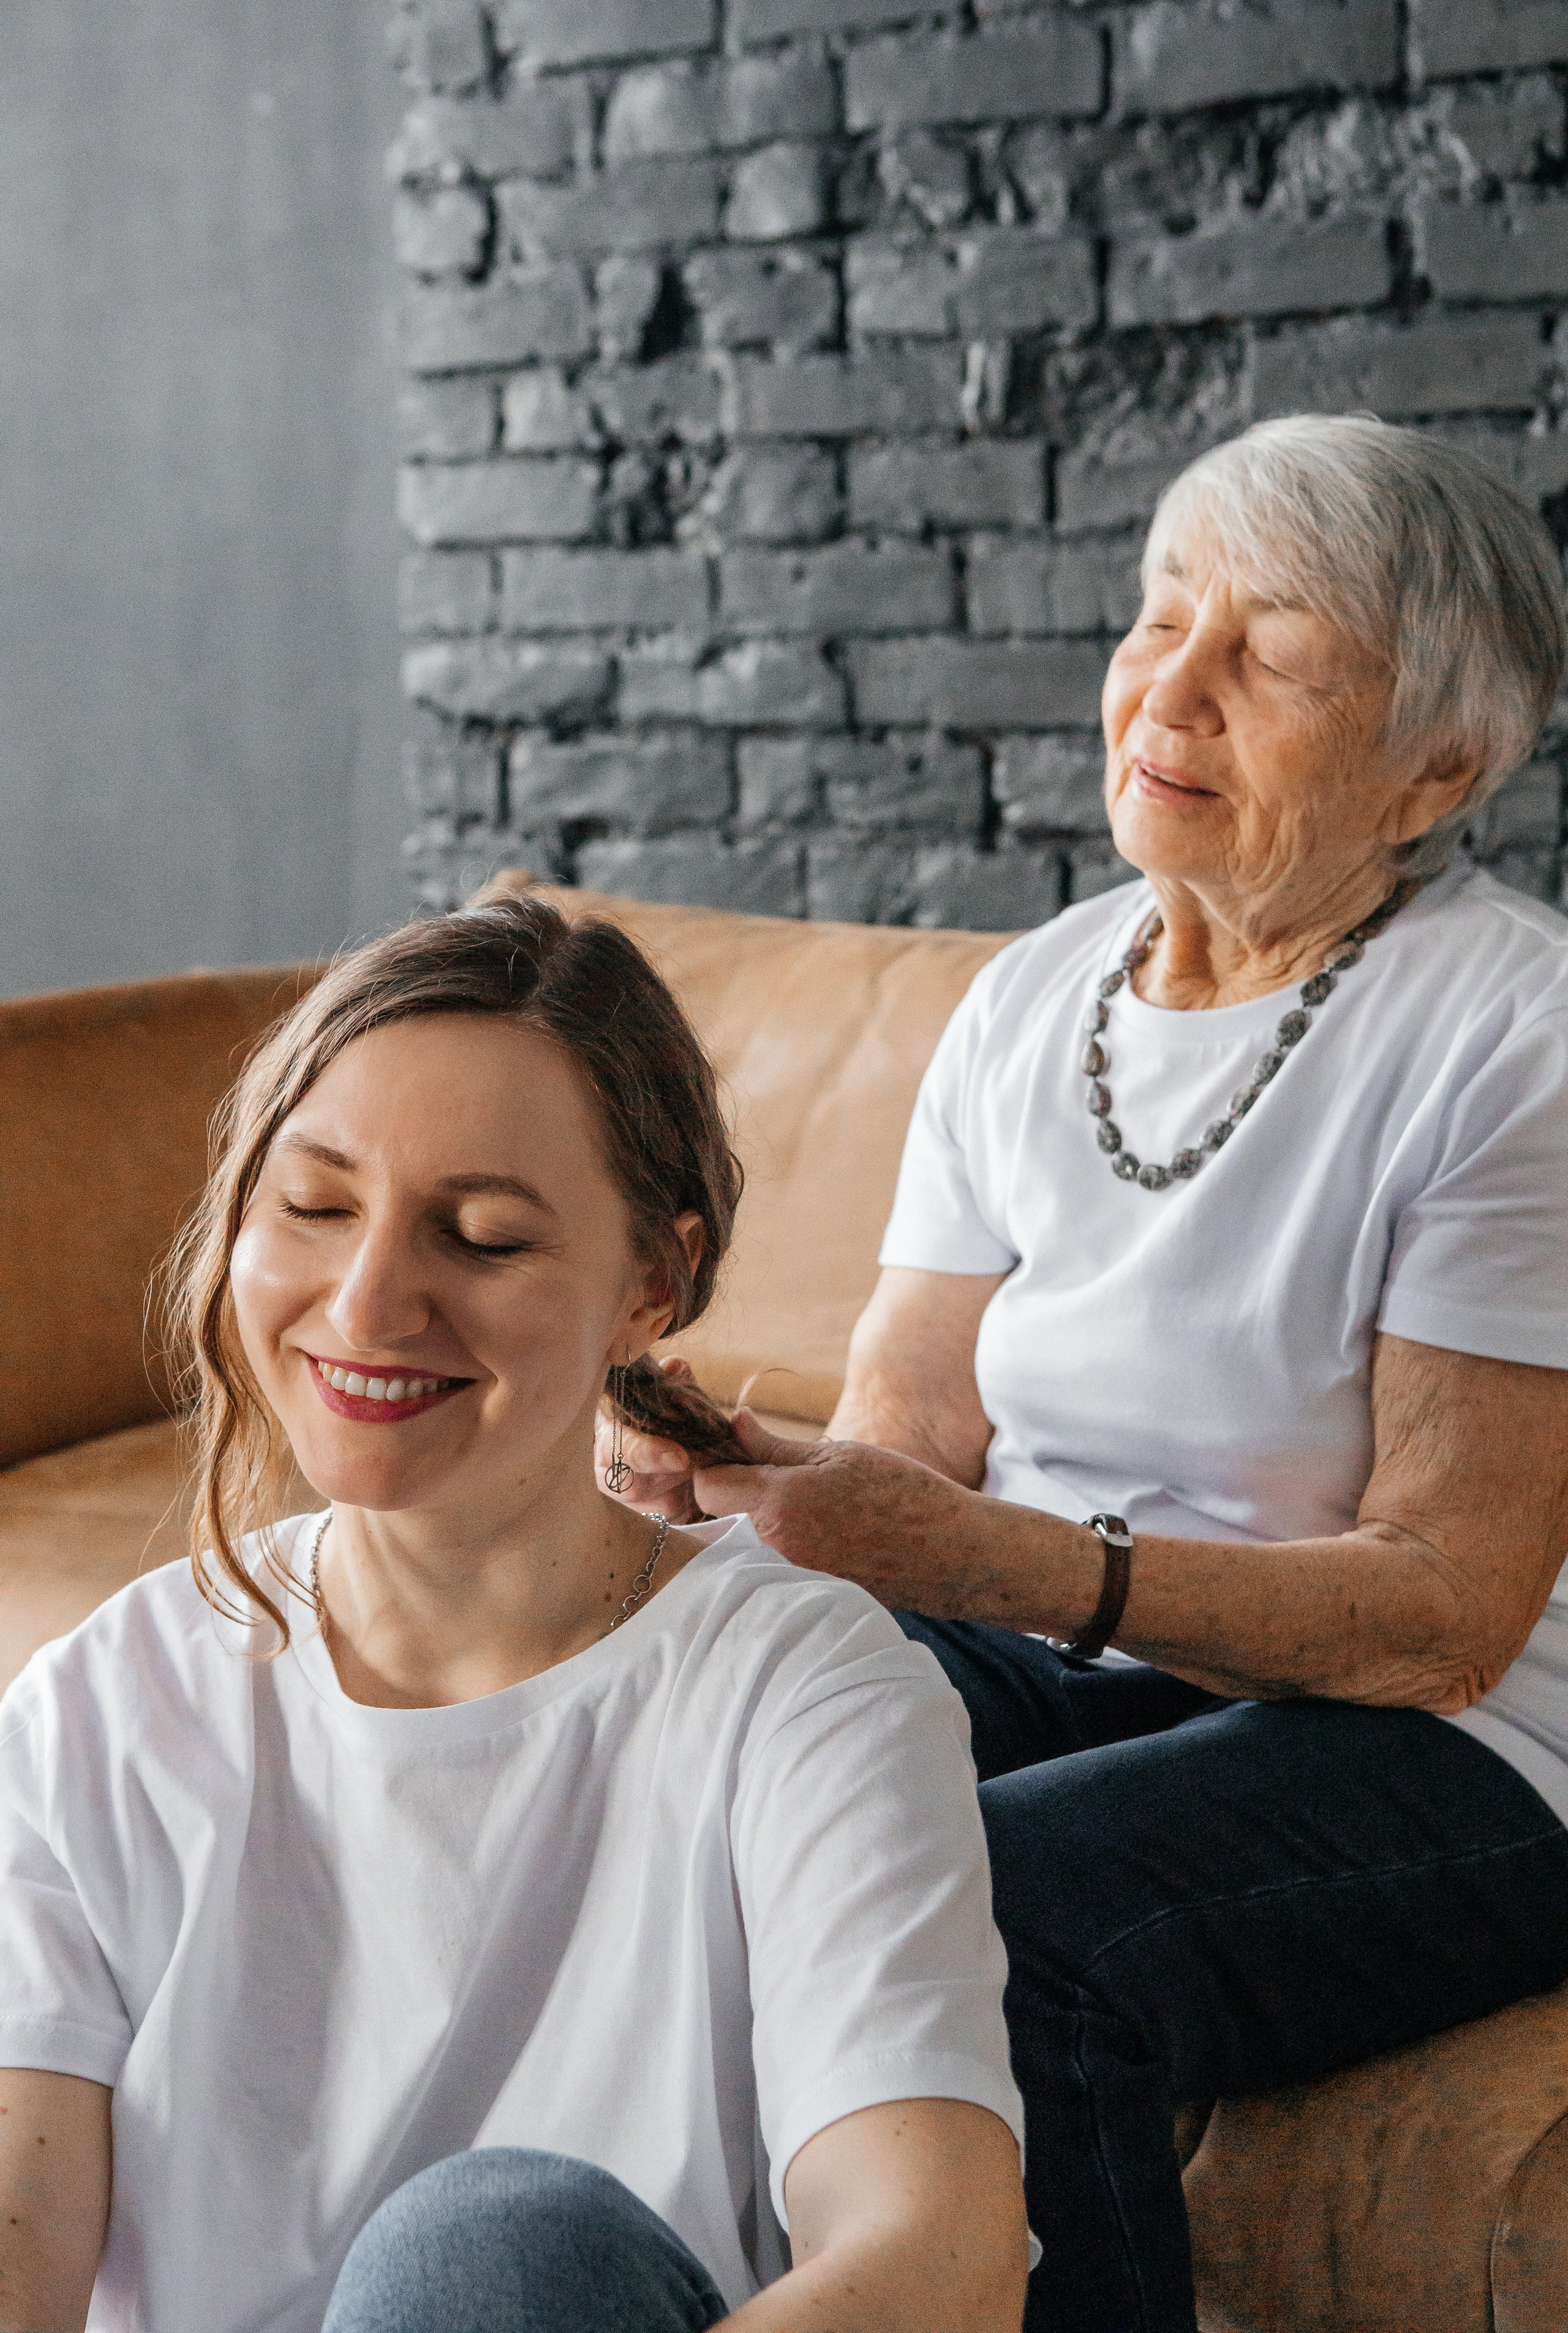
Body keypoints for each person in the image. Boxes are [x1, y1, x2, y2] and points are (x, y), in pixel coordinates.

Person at [608, 416, 1568, 2333]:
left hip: (1460, 1750)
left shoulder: (1515, 1040)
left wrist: (997, 1564)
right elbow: (914, 1441)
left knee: (1008, 1914)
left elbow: (1449, 1621)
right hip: (1087, 1661)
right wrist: (764, 1478)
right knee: (668, 1754)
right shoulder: (1035, 995)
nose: (1172, 689)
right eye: (1159, 616)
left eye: (1271, 654)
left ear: (1439, 768)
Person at [0, 898, 1030, 2333]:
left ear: (650, 1286)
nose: (365, 1303)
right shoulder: (97, 1705)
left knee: (487, 2255)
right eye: (314, 1209)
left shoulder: (804, 1692)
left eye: (479, 1239)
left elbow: (937, 2253)